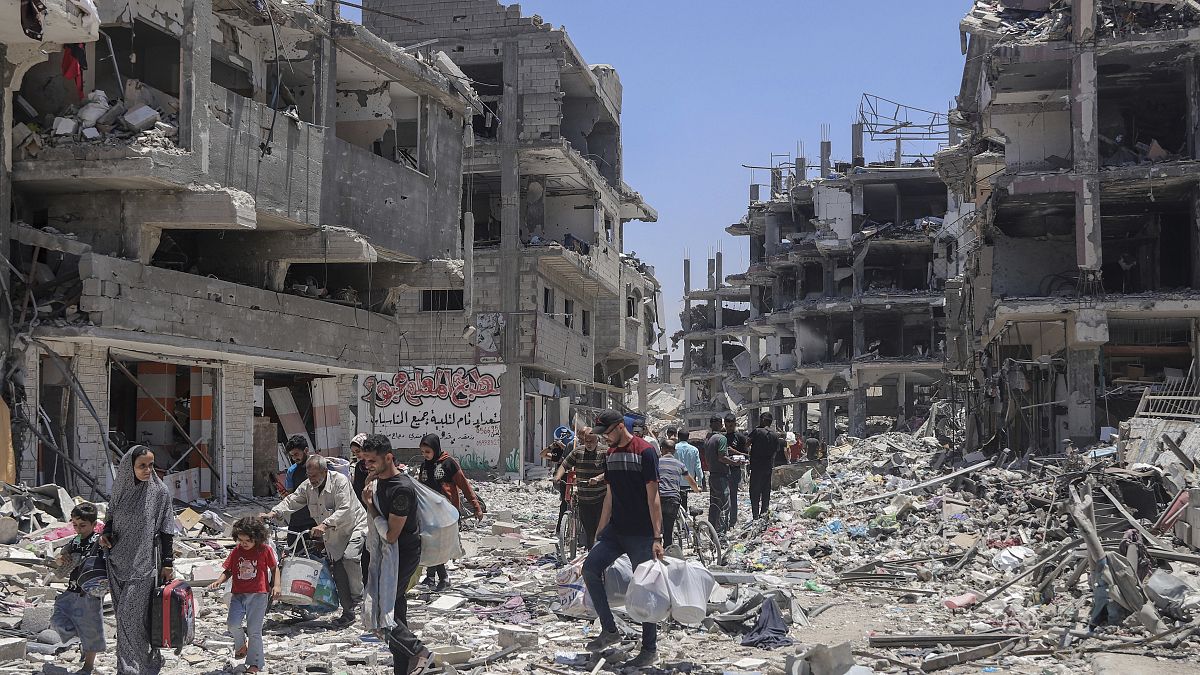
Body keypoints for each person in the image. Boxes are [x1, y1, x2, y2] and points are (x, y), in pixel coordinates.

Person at [581, 410, 664, 669]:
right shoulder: (611, 455)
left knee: (644, 590)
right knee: (590, 569)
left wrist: (657, 536)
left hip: (641, 535)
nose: (604, 438)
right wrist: (599, 532)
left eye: (607, 432)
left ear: (619, 427)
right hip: (616, 532)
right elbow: (610, 495)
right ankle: (610, 630)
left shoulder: (645, 452)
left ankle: (649, 648)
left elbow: (654, 498)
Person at [263, 454, 368, 627]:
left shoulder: (340, 481)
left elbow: (345, 508)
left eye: (314, 476)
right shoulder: (308, 486)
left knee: (350, 558)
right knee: (338, 572)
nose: (311, 479)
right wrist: (274, 513)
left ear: (325, 472)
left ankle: (359, 597)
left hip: (354, 526)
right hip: (333, 535)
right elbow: (292, 500)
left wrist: (325, 525)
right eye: (309, 476)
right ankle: (348, 613)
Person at [99, 446, 175, 675]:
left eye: (150, 465)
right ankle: (144, 664)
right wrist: (106, 535)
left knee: (127, 616)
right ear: (128, 467)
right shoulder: (121, 490)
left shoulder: (159, 493)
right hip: (117, 562)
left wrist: (168, 562)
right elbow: (110, 518)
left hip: (145, 564)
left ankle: (130, 669)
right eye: (142, 465)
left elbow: (166, 529)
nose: (147, 470)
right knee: (129, 621)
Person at [360, 434, 432, 675]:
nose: (367, 466)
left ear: (388, 458)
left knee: (382, 613)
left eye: (372, 461)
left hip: (401, 555)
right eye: (365, 461)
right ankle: (403, 667)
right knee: (395, 612)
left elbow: (391, 534)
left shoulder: (402, 490)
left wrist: (369, 504)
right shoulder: (377, 482)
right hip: (381, 554)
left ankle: (419, 651)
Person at [206, 517, 280, 674]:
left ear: (257, 538)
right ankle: (240, 644)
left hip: (259, 595)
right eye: (240, 540)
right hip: (238, 595)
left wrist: (277, 585)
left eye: (248, 540)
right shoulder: (236, 551)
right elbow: (229, 570)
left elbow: (274, 568)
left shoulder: (264, 550)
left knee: (254, 631)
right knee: (232, 623)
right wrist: (219, 581)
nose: (244, 543)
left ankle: (255, 663)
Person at [416, 434, 484, 590]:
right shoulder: (425, 466)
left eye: (427, 452)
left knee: (439, 545)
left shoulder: (449, 464)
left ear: (435, 449)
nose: (425, 455)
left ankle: (439, 578)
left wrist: (476, 506)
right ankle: (433, 578)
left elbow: (464, 485)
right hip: (429, 512)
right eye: (422, 452)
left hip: (447, 512)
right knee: (431, 544)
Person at [51, 503, 105, 675]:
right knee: (57, 619)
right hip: (71, 590)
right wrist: (60, 559)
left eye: (83, 525)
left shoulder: (99, 541)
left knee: (91, 629)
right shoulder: (74, 541)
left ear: (93, 524)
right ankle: (81, 640)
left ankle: (88, 666)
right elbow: (59, 558)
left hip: (90, 593)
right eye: (75, 525)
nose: (78, 529)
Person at [554, 426, 607, 549]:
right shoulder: (577, 452)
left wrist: (598, 479)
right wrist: (557, 476)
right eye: (586, 441)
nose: (588, 444)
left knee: (599, 530)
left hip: (601, 498)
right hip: (584, 498)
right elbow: (564, 465)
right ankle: (591, 553)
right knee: (589, 530)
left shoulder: (605, 452)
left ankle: (598, 553)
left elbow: (611, 471)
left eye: (591, 441)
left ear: (597, 441)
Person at [657, 440, 700, 551]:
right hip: (673, 499)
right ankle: (668, 554)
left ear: (662, 449)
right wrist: (697, 490)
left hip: (658, 499)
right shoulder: (679, 464)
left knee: (656, 528)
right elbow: (691, 481)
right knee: (668, 529)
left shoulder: (656, 462)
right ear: (674, 451)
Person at [281, 436, 317, 547]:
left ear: (306, 450)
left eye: (296, 454)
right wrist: (285, 496)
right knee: (294, 552)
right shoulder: (292, 471)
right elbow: (291, 495)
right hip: (298, 520)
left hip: (316, 520)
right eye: (291, 456)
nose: (294, 458)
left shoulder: (318, 466)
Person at [703, 416, 735, 536]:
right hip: (721, 475)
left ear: (710, 425)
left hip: (712, 475)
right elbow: (722, 457)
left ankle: (712, 532)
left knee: (714, 505)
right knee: (725, 505)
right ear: (721, 424)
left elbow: (707, 458)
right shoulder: (722, 438)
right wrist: (734, 462)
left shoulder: (708, 439)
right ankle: (721, 534)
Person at [746, 413, 780, 519]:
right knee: (766, 491)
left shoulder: (757, 432)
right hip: (768, 467)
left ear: (763, 420)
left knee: (754, 491)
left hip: (756, 467)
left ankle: (755, 515)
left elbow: (747, 443)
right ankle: (764, 514)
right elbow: (776, 451)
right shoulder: (775, 435)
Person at [350, 433, 371, 586]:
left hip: (378, 512)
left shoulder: (377, 464)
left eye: (359, 452)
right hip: (363, 513)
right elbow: (357, 490)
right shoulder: (359, 467)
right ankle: (366, 580)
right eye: (355, 453)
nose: (357, 455)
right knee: (365, 550)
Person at [724, 415, 747, 527]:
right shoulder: (722, 438)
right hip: (723, 470)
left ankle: (732, 520)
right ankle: (724, 520)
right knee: (724, 497)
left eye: (731, 425)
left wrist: (735, 452)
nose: (729, 428)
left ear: (735, 424)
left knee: (732, 496)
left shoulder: (740, 438)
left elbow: (747, 455)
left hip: (735, 471)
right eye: (727, 426)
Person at [673, 431, 703, 510]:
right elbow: (698, 467)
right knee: (684, 503)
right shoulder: (694, 450)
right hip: (689, 482)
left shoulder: (673, 448)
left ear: (678, 437)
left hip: (675, 482)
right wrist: (699, 483)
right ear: (688, 438)